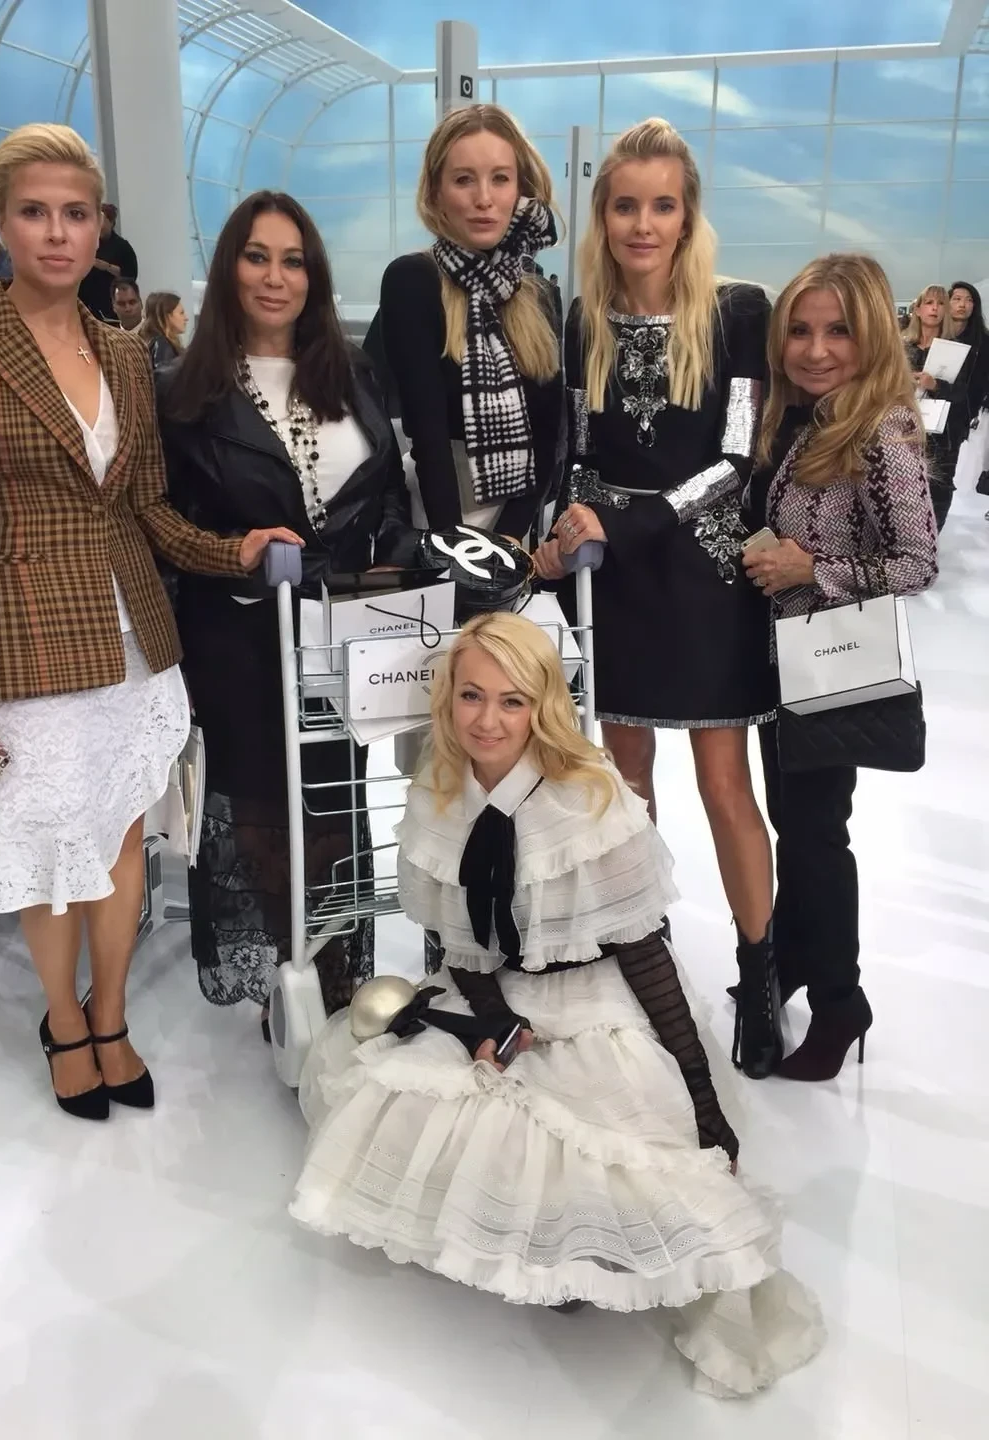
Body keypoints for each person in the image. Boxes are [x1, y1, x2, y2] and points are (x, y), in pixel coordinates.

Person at [291, 612, 824, 1396]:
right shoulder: (437, 792)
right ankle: (536, 1245)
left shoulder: (592, 798)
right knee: (428, 1099)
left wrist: (700, 1094)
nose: (487, 720)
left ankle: (582, 1251)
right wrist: (491, 1020)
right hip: (500, 991)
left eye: (512, 701)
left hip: (598, 992)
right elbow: (462, 947)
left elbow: (644, 954)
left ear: (542, 705)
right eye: (472, 696)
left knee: (612, 1140)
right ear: (448, 698)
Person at [0, 124, 285, 1121]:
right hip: (25, 639)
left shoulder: (123, 351)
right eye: (34, 213)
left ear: (98, 226)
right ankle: (63, 1021)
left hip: (133, 640)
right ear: (2, 223)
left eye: (74, 213)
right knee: (48, 848)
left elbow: (147, 507)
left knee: (122, 843)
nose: (56, 233)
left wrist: (232, 550)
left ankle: (110, 1015)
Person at [534, 119, 779, 1078]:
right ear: (603, 215)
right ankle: (648, 955)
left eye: (662, 205)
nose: (644, 224)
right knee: (626, 785)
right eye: (626, 205)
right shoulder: (581, 318)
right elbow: (573, 452)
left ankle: (759, 979)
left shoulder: (738, 310)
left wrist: (632, 520)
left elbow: (737, 457)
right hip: (616, 582)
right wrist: (567, 528)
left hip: (706, 575)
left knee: (725, 786)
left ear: (688, 215)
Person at [156, 191, 419, 1021]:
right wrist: (233, 554)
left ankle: (336, 980)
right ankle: (288, 977)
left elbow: (387, 489)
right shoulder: (183, 395)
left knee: (338, 798)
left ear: (315, 276)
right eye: (257, 256)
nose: (276, 277)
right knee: (265, 807)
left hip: (344, 631)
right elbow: (165, 523)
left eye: (293, 260)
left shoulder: (353, 371)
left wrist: (391, 553)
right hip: (240, 634)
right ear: (229, 268)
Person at [743, 253, 937, 1080]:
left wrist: (810, 568)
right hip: (787, 663)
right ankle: (791, 961)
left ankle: (839, 1002)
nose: (816, 349)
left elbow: (917, 564)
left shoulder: (879, 428)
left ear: (872, 338)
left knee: (817, 835)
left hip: (833, 666)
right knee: (798, 826)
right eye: (800, 329)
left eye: (838, 332)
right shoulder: (803, 416)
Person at [368, 104, 564, 542]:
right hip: (438, 514)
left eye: (500, 178)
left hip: (517, 517)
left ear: (520, 188)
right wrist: (457, 548)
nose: (484, 198)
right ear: (436, 192)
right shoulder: (413, 280)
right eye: (463, 180)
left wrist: (511, 538)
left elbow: (548, 435)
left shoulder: (537, 291)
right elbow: (428, 438)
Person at [902, 284, 959, 530]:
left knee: (939, 487)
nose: (934, 308)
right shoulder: (902, 345)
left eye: (940, 303)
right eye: (929, 303)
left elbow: (963, 393)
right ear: (917, 309)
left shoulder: (955, 348)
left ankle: (932, 537)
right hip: (903, 426)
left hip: (941, 432)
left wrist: (935, 384)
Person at [947, 281, 989, 493]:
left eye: (969, 300)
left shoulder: (983, 341)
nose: (962, 304)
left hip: (962, 414)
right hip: (929, 410)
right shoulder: (936, 335)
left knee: (947, 475)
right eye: (957, 299)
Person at [78, 202, 138, 321]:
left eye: (102, 221)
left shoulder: (122, 246)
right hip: (87, 300)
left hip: (110, 301)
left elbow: (130, 275)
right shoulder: (88, 243)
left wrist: (107, 267)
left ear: (111, 222)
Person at [141, 290, 188, 368]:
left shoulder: (157, 342)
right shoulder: (162, 344)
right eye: (181, 313)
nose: (186, 318)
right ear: (166, 316)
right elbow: (164, 373)